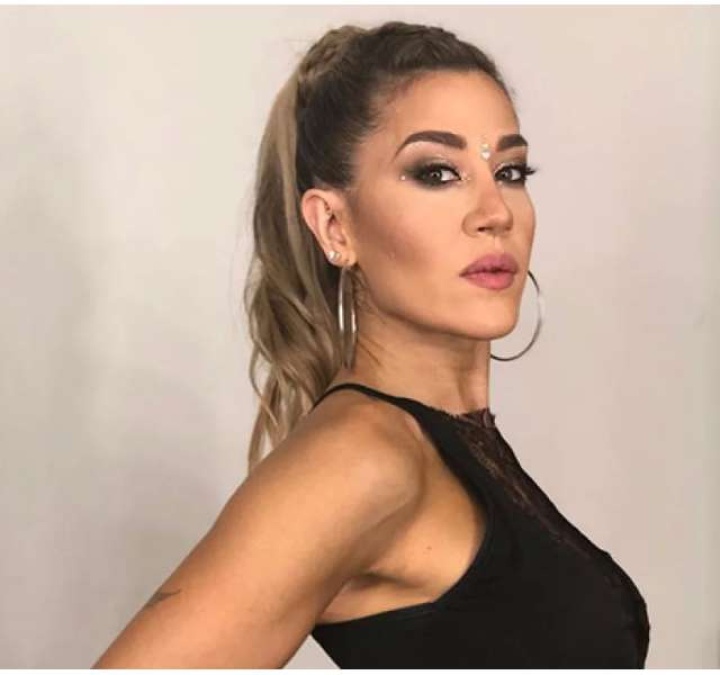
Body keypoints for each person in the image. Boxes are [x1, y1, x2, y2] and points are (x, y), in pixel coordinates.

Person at [93, 20, 650, 668]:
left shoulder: (455, 443)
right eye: (437, 173)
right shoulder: (361, 458)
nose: (494, 212)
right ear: (335, 225)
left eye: (510, 170)